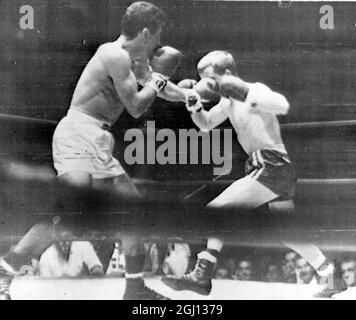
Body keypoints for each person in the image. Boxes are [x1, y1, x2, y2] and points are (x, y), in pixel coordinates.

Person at [0, 1, 186, 300]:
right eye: (158, 35)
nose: (160, 42)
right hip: (78, 133)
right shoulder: (113, 55)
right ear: (147, 31)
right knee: (69, 214)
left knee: (133, 211)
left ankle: (135, 287)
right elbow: (138, 106)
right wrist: (160, 77)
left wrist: (189, 96)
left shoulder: (133, 59)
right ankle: (5, 270)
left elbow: (159, 87)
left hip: (98, 140)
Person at [161, 51, 347, 298]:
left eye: (208, 78)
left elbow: (281, 103)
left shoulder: (254, 89)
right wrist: (194, 105)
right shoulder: (227, 102)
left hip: (271, 165)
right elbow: (205, 124)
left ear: (227, 74)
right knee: (286, 233)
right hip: (270, 168)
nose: (205, 84)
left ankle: (202, 275)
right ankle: (330, 276)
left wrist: (250, 96)